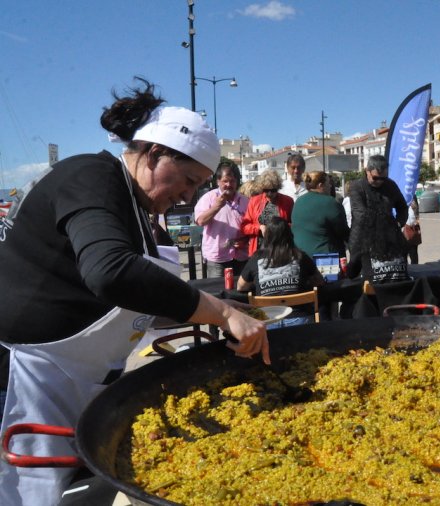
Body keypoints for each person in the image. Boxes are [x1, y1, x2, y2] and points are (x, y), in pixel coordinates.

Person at [0, 79, 269, 505]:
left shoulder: (137, 209)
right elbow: (110, 273)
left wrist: (220, 311)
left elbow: (132, 304)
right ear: (154, 153)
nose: (187, 195)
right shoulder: (91, 174)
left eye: (198, 186)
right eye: (187, 179)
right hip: (24, 376)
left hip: (77, 380)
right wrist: (219, 312)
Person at [238, 216, 324, 327]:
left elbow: (241, 286)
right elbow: (319, 281)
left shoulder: (256, 258)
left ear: (267, 236)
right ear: (289, 234)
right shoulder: (301, 256)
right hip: (300, 318)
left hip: (267, 320)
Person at [347, 155, 409, 282]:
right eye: (376, 178)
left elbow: (402, 207)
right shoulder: (356, 187)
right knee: (359, 279)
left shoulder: (390, 185)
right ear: (367, 171)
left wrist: (398, 223)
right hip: (362, 239)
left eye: (383, 178)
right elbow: (361, 214)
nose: (380, 181)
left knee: (394, 274)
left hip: (390, 238)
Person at [194, 161, 249, 277]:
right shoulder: (208, 198)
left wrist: (245, 240)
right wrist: (217, 206)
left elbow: (251, 226)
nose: (229, 184)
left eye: (232, 181)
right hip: (217, 258)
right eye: (225, 181)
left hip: (241, 256)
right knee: (218, 292)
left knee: (240, 292)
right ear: (218, 181)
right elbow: (200, 221)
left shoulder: (245, 200)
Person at [291, 171, 349, 257]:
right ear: (320, 185)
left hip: (300, 256)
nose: (330, 186)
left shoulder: (298, 202)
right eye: (328, 183)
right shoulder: (330, 203)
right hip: (325, 259)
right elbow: (343, 231)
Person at [241, 169, 294, 256]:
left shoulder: (288, 201)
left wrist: (279, 229)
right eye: (266, 190)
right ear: (262, 189)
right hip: (259, 250)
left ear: (278, 188)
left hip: (281, 249)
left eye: (273, 190)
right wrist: (259, 228)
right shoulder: (254, 201)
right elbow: (245, 227)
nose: (269, 193)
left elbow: (294, 225)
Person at [405, 195, 421, 264]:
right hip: (412, 227)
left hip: (408, 228)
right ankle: (415, 268)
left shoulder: (410, 197)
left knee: (408, 252)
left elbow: (412, 217)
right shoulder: (412, 196)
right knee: (413, 252)